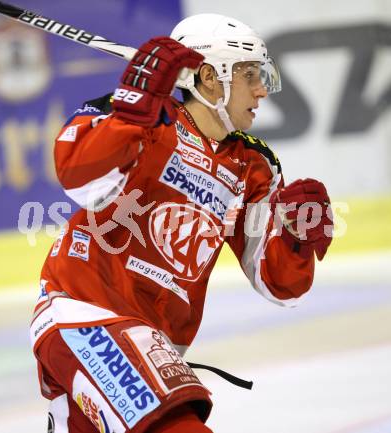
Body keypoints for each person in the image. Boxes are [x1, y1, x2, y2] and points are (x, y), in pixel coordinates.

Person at [31, 13, 333, 433]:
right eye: (250, 75)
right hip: (85, 314)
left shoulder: (253, 166)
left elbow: (279, 283)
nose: (262, 90)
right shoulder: (145, 119)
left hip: (155, 344)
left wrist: (297, 239)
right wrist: (132, 111)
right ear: (211, 77)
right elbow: (77, 178)